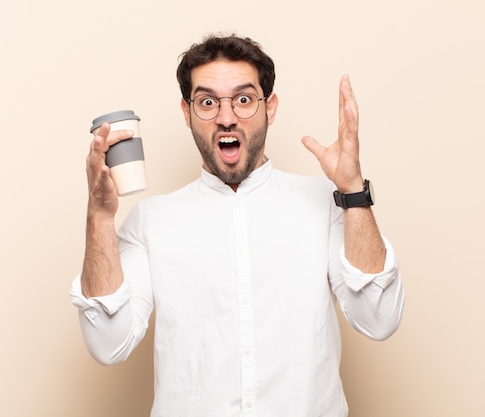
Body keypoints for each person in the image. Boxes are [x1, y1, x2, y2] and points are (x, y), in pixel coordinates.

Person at [71, 33, 405, 417]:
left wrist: (352, 191)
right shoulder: (151, 222)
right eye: (207, 102)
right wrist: (99, 215)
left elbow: (379, 319)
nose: (226, 117)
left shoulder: (326, 204)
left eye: (244, 100)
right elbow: (107, 344)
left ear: (270, 108)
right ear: (186, 112)